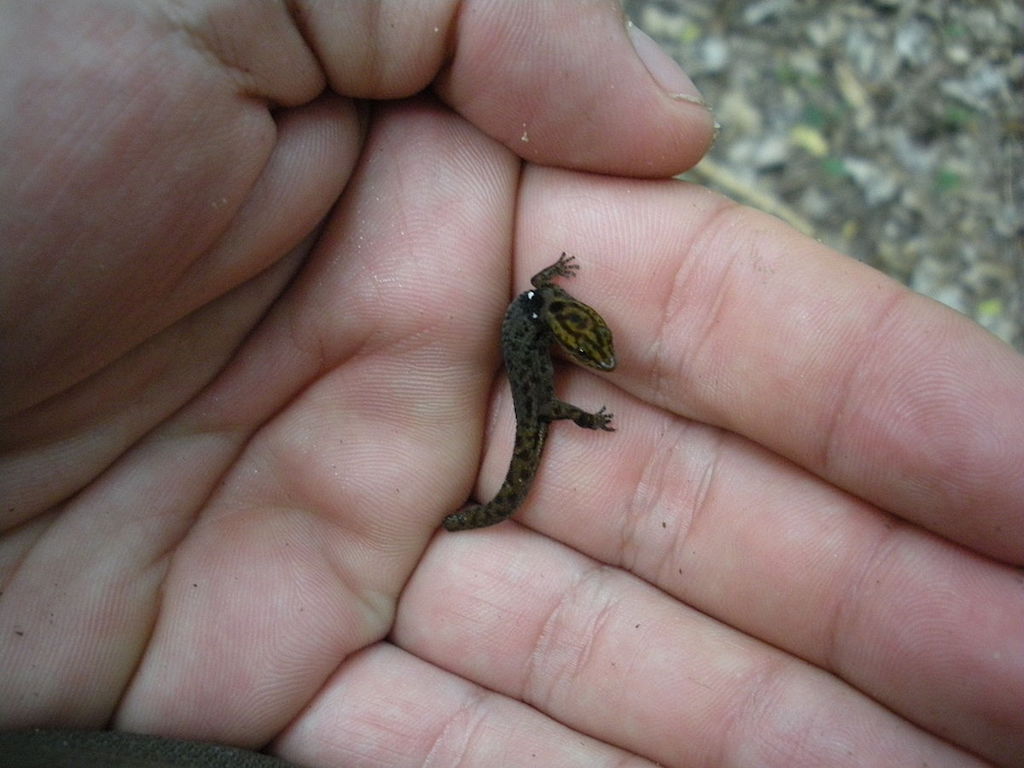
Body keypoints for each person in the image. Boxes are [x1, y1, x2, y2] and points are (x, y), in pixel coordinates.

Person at [1, 2, 1021, 766]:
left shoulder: (544, 326)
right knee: (532, 435)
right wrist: (561, 372)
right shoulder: (537, 327)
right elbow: (539, 328)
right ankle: (488, 504)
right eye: (585, 341)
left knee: (537, 434)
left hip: (517, 365)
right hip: (510, 366)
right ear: (566, 326)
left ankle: (492, 502)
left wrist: (568, 369)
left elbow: (544, 325)